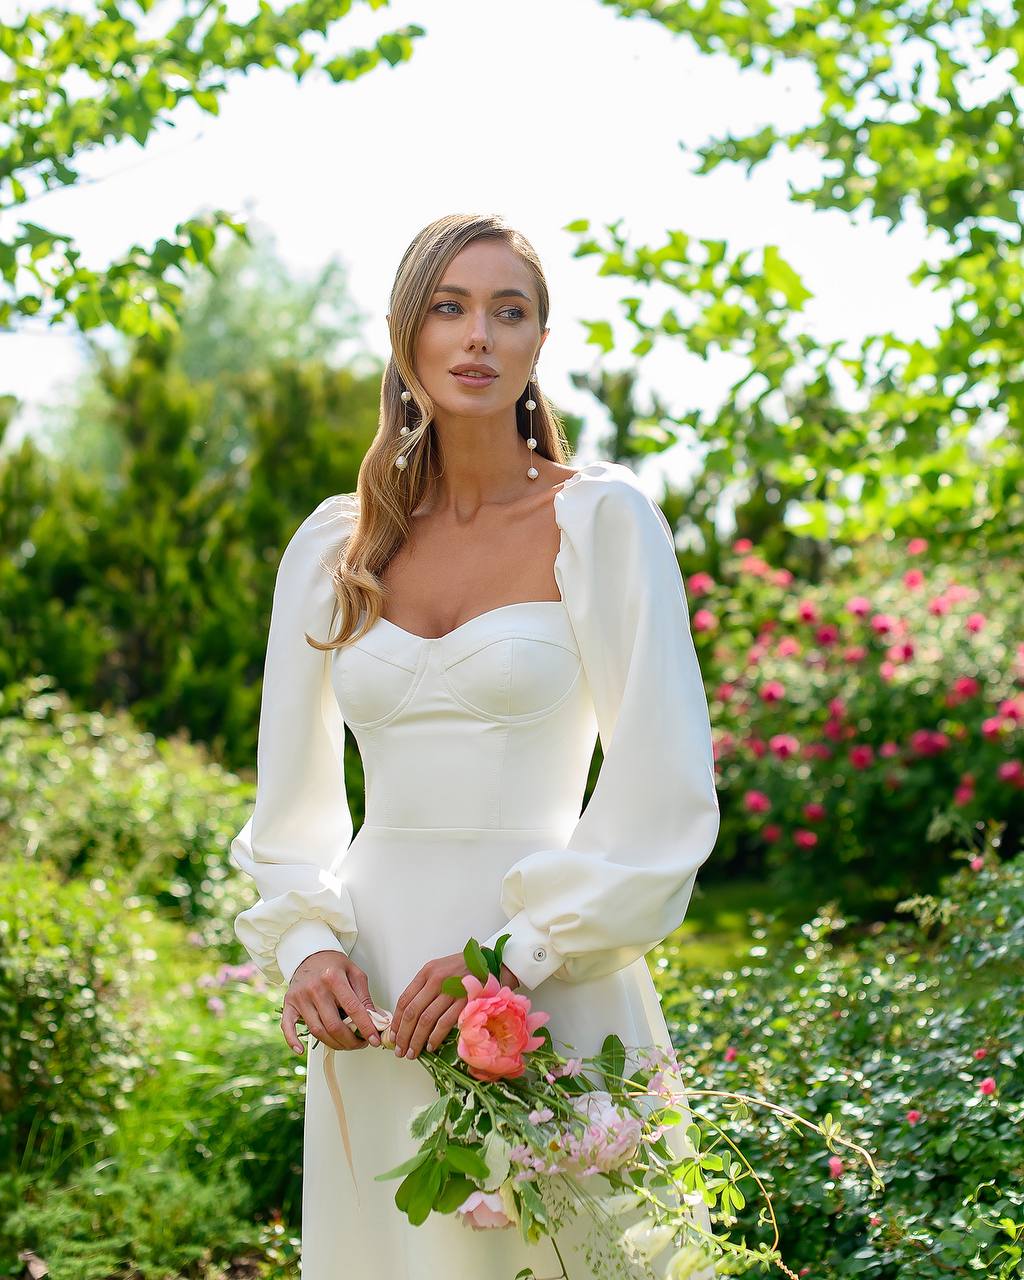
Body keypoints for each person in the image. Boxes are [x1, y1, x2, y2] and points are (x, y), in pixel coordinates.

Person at [229, 213, 721, 1280]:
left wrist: (513, 959)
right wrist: (306, 946)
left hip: (544, 976)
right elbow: (290, 806)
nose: (478, 336)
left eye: (509, 311)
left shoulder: (603, 522)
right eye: (449, 307)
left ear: (540, 339)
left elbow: (664, 795)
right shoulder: (334, 544)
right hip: (378, 996)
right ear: (405, 332)